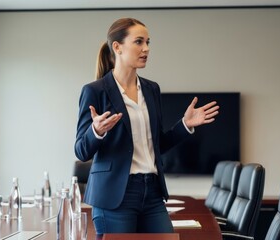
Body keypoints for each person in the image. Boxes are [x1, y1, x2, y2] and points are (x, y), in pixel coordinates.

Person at [74, 17, 220, 236]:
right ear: (118, 47)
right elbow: (81, 150)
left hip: (152, 192)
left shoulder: (152, 89)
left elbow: (156, 144)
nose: (146, 49)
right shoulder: (95, 90)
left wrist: (185, 125)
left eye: (148, 42)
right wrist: (97, 131)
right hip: (115, 196)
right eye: (139, 42)